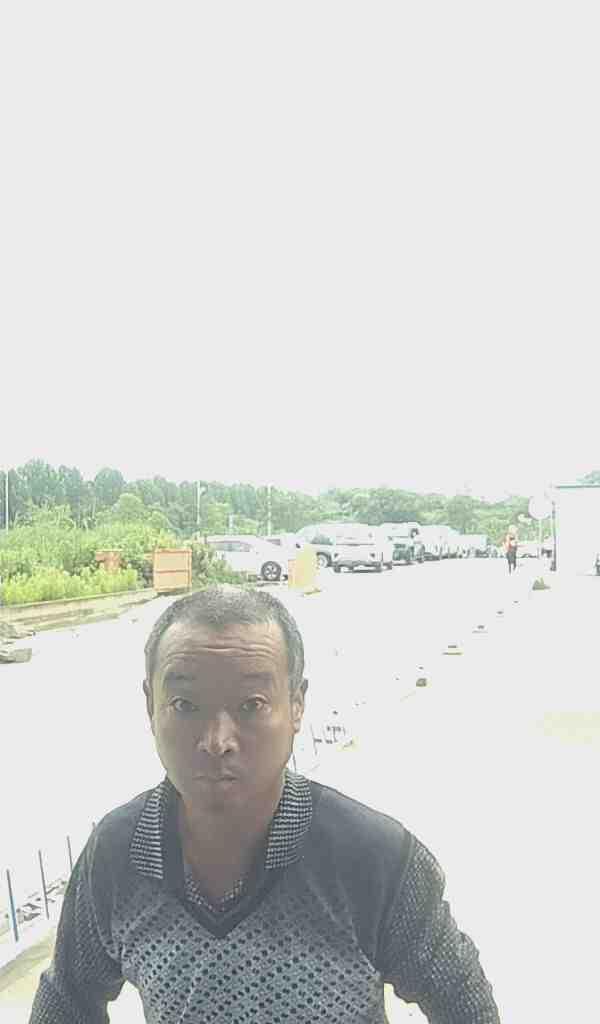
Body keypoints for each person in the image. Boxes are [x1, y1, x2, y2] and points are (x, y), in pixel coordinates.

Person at [30, 586, 500, 1023]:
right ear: (150, 705)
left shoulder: (373, 857)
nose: (217, 741)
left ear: (296, 705)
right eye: (185, 705)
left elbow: (463, 1003)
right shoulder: (119, 852)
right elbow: (67, 1000)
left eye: (251, 705)